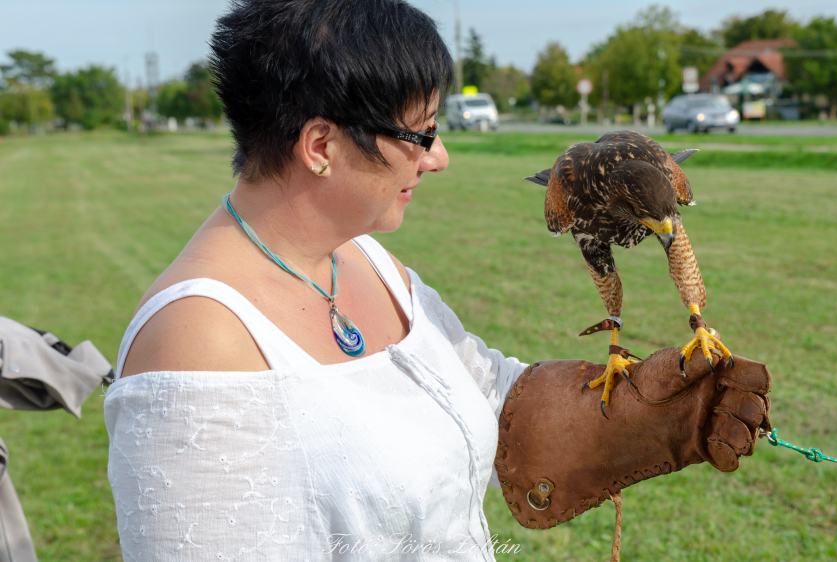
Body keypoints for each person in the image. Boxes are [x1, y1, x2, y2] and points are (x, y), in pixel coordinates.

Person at [105, 1, 525, 560]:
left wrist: (658, 400)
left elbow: (489, 392)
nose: (437, 157)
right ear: (321, 147)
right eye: (421, 134)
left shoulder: (369, 260)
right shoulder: (197, 342)